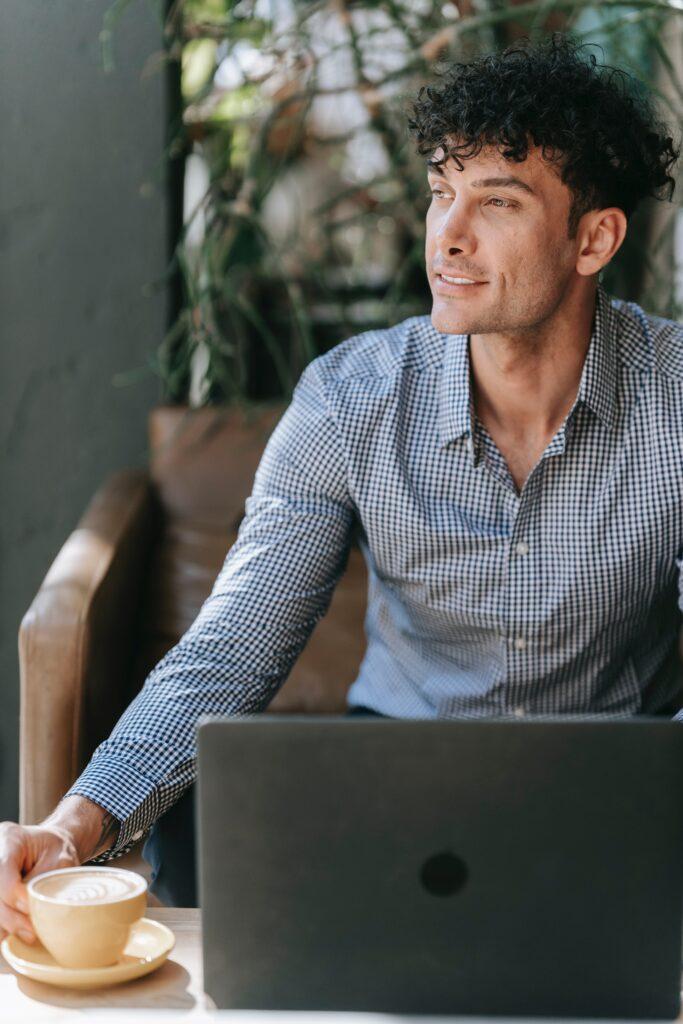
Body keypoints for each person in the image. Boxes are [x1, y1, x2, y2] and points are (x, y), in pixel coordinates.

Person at [2, 31, 682, 926]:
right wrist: (75, 823)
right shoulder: (351, 399)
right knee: (209, 834)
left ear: (592, 239)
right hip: (395, 784)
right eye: (442, 193)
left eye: (498, 202)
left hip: (617, 792)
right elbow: (234, 644)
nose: (447, 235)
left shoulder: (671, 400)